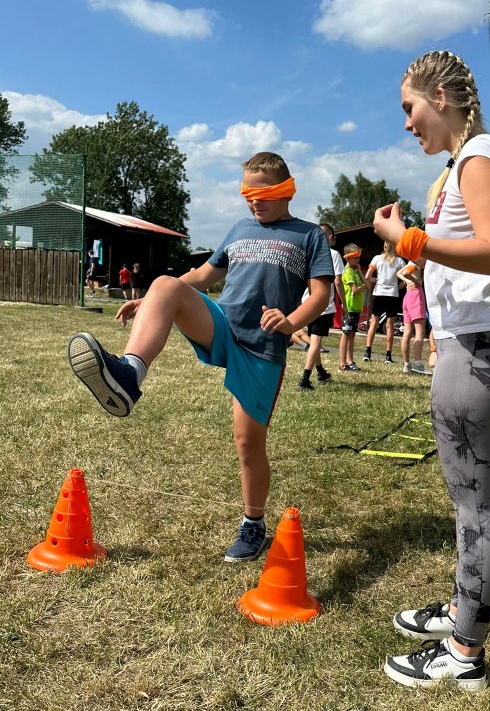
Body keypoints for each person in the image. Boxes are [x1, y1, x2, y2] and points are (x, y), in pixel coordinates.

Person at [67, 151, 333, 561]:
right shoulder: (240, 229)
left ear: (287, 191)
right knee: (165, 284)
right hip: (222, 325)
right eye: (247, 194)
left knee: (248, 444)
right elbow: (203, 276)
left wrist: (290, 321)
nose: (254, 202)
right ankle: (128, 375)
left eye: (263, 194)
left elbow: (321, 294)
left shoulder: (310, 235)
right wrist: (151, 299)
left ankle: (253, 524)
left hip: (263, 347)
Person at [373, 49, 490, 691]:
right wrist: (425, 267)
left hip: (480, 351)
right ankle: (464, 609)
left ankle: (465, 654)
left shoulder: (480, 156)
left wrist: (409, 241)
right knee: (470, 503)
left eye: (409, 107)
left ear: (440, 97)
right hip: (474, 346)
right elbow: (472, 255)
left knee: (476, 508)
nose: (407, 123)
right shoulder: (468, 161)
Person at [298, 222, 345, 390]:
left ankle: (320, 371)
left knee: (314, 340)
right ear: (330, 237)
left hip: (307, 302)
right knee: (316, 340)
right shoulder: (333, 254)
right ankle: (305, 379)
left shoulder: (307, 253)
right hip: (323, 304)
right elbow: (338, 281)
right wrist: (344, 304)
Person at [362, 242, 405, 364]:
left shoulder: (377, 258)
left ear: (384, 246)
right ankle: (388, 356)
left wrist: (377, 280)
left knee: (374, 323)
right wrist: (396, 288)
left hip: (379, 293)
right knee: (390, 326)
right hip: (392, 295)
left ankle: (367, 352)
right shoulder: (399, 261)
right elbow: (405, 279)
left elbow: (367, 276)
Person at [396, 263, 430, 374]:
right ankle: (418, 364)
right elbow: (406, 272)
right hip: (416, 295)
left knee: (407, 333)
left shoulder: (410, 262)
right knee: (420, 332)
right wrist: (414, 280)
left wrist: (407, 281)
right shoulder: (416, 263)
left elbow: (399, 273)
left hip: (407, 296)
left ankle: (406, 365)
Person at [339, 244, 366, 372]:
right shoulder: (347, 272)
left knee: (352, 335)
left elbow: (367, 284)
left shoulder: (355, 272)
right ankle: (342, 363)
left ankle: (350, 361)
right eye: (355, 257)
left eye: (358, 257)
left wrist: (360, 271)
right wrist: (362, 287)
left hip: (356, 308)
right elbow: (354, 290)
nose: (357, 260)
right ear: (348, 258)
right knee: (346, 334)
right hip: (349, 307)